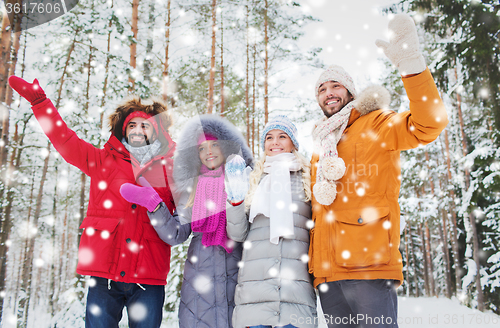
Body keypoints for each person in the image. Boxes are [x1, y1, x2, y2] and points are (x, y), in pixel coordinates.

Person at [308, 14, 449, 327]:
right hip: (328, 276)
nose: (328, 92)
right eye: (321, 88)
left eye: (336, 85)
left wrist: (412, 66)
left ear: (350, 91)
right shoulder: (321, 145)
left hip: (368, 268)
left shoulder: (376, 123)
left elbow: (429, 123)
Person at [8, 76, 177, 328]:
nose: (138, 130)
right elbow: (65, 141)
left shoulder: (171, 169)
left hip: (148, 276)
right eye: (132, 126)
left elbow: (192, 203)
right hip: (104, 275)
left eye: (145, 126)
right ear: (123, 130)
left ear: (156, 132)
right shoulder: (102, 161)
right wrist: (41, 103)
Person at [121, 114, 253, 328]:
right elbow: (175, 234)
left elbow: (242, 232)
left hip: (236, 273)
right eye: (201, 148)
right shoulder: (192, 190)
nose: (208, 152)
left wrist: (236, 196)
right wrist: (155, 205)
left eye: (214, 145)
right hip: (199, 285)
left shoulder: (244, 179)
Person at [227, 115, 317, 328]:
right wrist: (235, 199)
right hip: (255, 294)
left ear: (293, 143)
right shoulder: (253, 178)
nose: (275, 142)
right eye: (269, 137)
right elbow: (238, 234)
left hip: (296, 294)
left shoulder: (308, 179)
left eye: (282, 136)